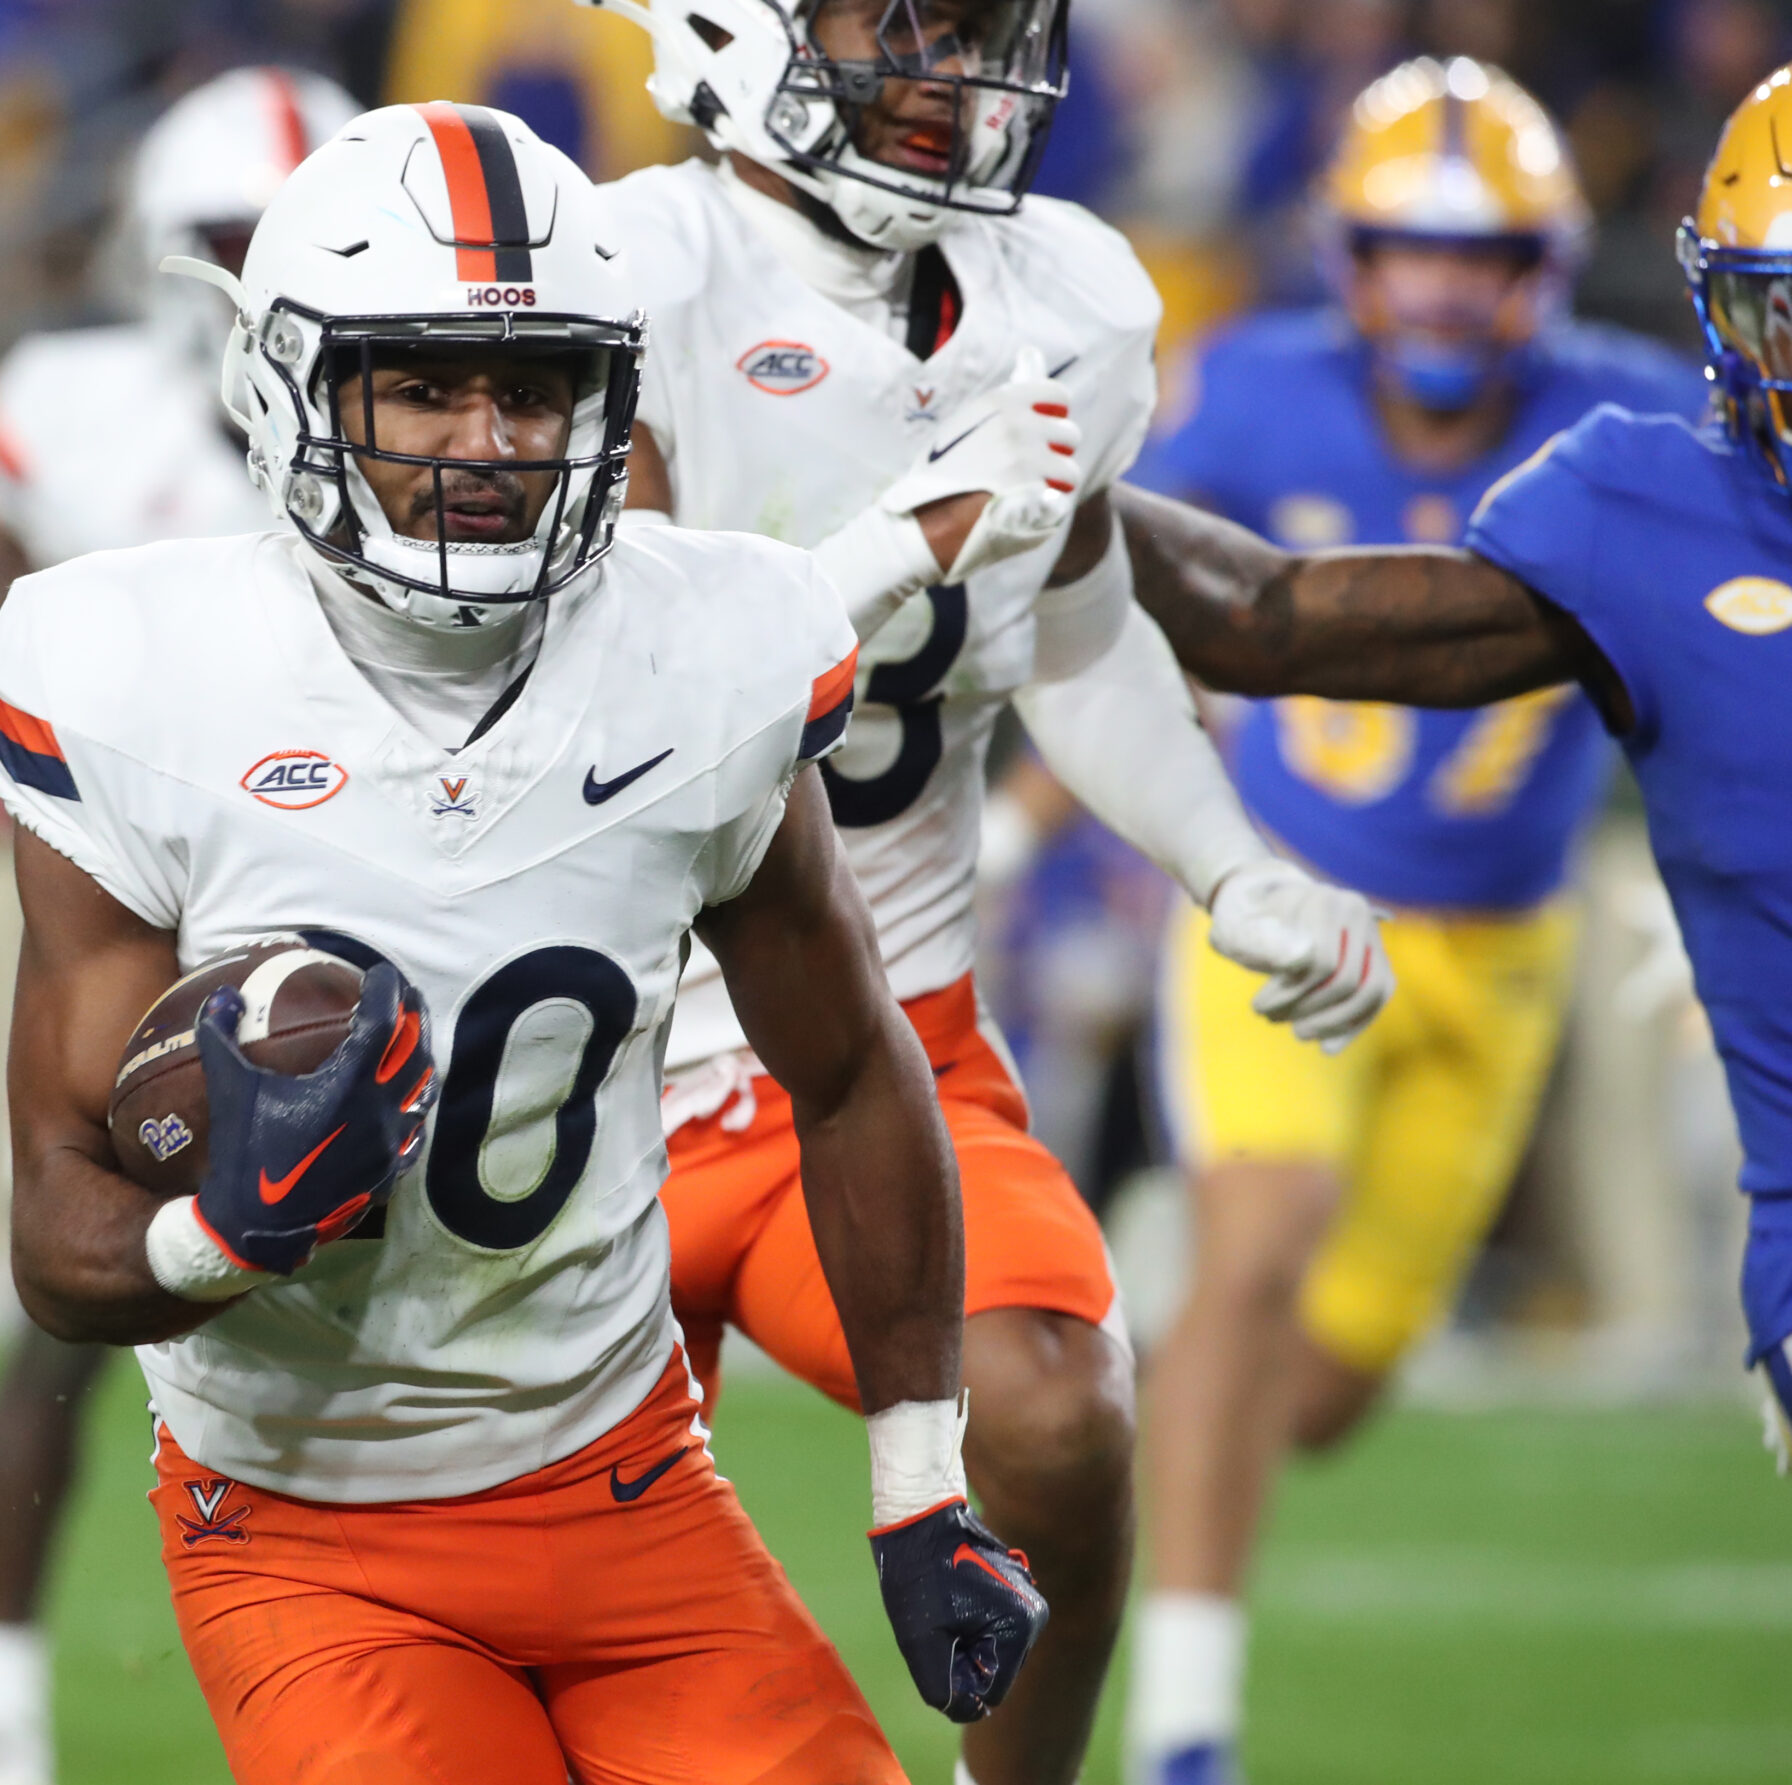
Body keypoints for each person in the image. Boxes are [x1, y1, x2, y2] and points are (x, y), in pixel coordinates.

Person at [0, 100, 1047, 1783]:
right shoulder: (133, 670)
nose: (485, 439)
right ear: (294, 388)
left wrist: (923, 1486)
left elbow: (848, 1072)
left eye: (534, 386)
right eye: (423, 382)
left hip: (630, 1488)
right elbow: (55, 1213)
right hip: (307, 1523)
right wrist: (220, 1235)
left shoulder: (712, 646)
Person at [577, 5, 1393, 1781]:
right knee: (566, 1616)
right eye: (903, 19)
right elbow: (622, 699)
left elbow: (1074, 633)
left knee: (1053, 1410)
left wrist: (1224, 858)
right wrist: (905, 535)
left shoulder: (1060, 298)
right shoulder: (626, 274)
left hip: (880, 1051)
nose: (957, 65)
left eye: (984, 23)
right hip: (578, 1066)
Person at [1119, 59, 1709, 1785]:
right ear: (1346, 256)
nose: (1446, 288)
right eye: (1408, 248)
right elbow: (1087, 602)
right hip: (1291, 913)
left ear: (1546, 263)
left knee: (1325, 1388)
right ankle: (1184, 1730)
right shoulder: (1242, 396)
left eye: (1484, 254)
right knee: (1262, 1242)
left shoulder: (1634, 419)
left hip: (1509, 954)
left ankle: (1131, 1368)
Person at [0, 66, 363, 1785]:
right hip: (133, 916)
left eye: (294, 239)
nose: (265, 279)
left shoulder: (418, 417)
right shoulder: (77, 403)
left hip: (356, 904)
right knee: (76, 1303)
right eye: (232, 244)